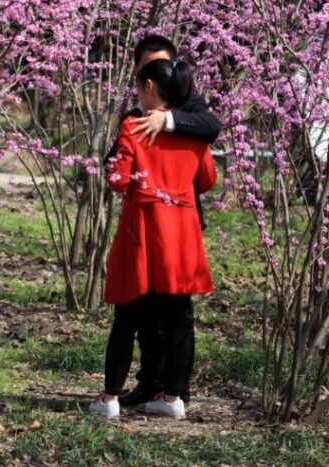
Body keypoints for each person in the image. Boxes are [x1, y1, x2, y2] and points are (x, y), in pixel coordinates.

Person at [89, 59, 217, 420]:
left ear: (148, 86)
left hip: (142, 227)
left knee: (127, 314)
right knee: (177, 315)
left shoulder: (134, 125)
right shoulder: (194, 132)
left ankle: (110, 397)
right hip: (181, 231)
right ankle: (172, 398)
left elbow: (117, 180)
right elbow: (207, 180)